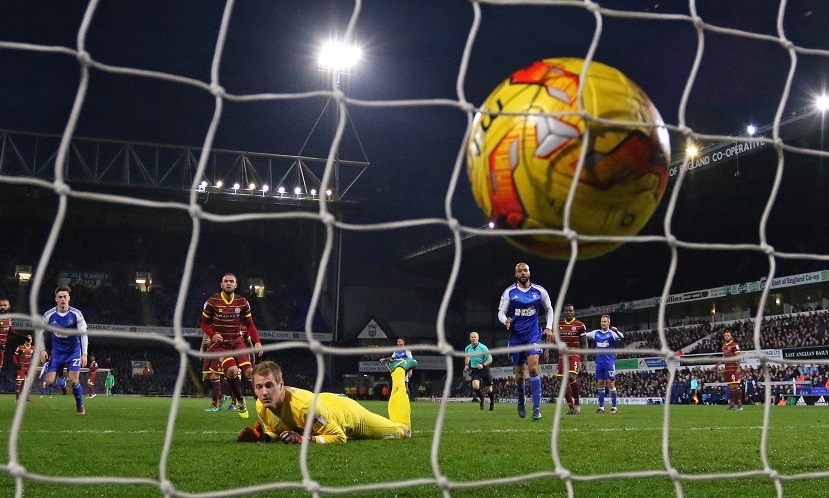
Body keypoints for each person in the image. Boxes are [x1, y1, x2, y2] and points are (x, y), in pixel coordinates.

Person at [236, 359, 416, 445]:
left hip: (347, 414)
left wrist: (305, 439)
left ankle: (398, 370)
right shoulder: (261, 406)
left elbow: (339, 436)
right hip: (324, 402)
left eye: (269, 385)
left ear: (281, 385)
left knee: (404, 431)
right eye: (259, 387)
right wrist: (265, 437)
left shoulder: (304, 407)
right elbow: (276, 429)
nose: (264, 392)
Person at [201, 273, 264, 419]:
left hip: (237, 342)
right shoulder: (212, 301)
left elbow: (250, 324)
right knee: (231, 370)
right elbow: (204, 323)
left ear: (236, 285)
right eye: (226, 281)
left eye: (231, 281)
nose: (228, 283)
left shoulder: (242, 302)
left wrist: (257, 342)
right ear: (221, 284)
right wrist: (212, 335)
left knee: (250, 372)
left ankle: (261, 403)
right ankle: (240, 401)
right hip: (221, 345)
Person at [498, 262, 554, 420]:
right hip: (516, 335)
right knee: (520, 375)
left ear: (529, 273)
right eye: (520, 271)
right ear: (516, 274)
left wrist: (548, 327)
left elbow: (549, 309)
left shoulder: (539, 291)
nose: (523, 273)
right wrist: (505, 320)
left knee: (533, 368)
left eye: (525, 270)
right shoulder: (509, 292)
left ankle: (536, 409)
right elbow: (501, 312)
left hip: (533, 334)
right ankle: (521, 400)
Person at [40, 285, 89, 415]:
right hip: (57, 352)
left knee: (74, 380)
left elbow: (83, 334)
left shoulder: (76, 314)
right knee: (50, 382)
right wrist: (42, 350)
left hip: (73, 351)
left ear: (69, 298)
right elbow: (40, 332)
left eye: (64, 297)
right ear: (56, 299)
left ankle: (80, 407)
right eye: (60, 297)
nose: (62, 299)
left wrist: (84, 353)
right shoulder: (49, 315)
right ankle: (62, 383)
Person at [582, 315, 624, 414]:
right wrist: (579, 330)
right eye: (602, 321)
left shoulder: (612, 333)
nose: (603, 323)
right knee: (600, 384)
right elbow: (585, 335)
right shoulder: (596, 333)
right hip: (599, 363)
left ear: (609, 322)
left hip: (609, 362)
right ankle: (601, 407)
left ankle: (614, 407)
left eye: (605, 321)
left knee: (611, 383)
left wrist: (617, 331)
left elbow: (622, 337)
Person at [556, 304, 587, 415]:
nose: (568, 312)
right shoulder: (559, 324)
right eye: (566, 311)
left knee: (571, 377)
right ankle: (571, 407)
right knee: (561, 380)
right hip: (562, 355)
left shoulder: (580, 325)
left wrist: (584, 360)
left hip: (574, 354)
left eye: (570, 311)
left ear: (574, 312)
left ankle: (577, 403)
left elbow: (584, 343)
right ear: (564, 312)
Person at [464, 331, 495, 411]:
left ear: (478, 338)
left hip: (484, 368)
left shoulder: (483, 348)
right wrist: (466, 365)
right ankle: (482, 399)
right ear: (470, 338)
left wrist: (483, 365)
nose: (473, 339)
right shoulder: (467, 348)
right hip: (475, 369)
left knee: (489, 389)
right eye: (472, 337)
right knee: (475, 386)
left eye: (475, 337)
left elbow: (490, 359)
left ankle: (492, 403)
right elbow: (467, 357)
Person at [714, 329, 743, 411]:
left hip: (733, 368)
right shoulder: (724, 346)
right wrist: (716, 366)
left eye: (728, 335)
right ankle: (732, 406)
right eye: (725, 336)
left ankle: (740, 405)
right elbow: (724, 358)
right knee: (730, 387)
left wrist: (738, 367)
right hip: (727, 368)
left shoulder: (735, 345)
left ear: (731, 336)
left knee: (736, 386)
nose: (727, 337)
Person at [1, 297, 27, 374]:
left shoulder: (8, 318)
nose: (2, 307)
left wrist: (21, 336)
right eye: (1, 305)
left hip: (2, 348)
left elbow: (9, 330)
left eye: (4, 305)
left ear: (9, 306)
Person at [13, 335, 36, 402]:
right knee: (19, 382)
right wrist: (17, 364)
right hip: (22, 367)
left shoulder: (33, 348)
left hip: (29, 367)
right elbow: (14, 356)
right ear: (25, 340)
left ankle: (27, 397)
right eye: (28, 339)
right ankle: (17, 398)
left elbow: (34, 357)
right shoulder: (20, 347)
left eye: (30, 339)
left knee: (29, 383)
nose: (29, 341)